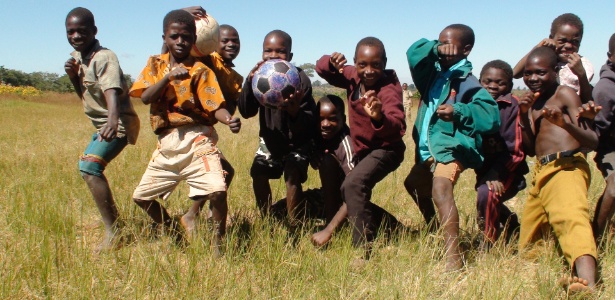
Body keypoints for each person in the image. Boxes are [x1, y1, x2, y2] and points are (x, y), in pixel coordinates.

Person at [129, 10, 241, 253]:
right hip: (167, 142)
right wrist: (168, 77)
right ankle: (172, 229)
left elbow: (215, 107)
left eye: (186, 37)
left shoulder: (201, 71)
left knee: (218, 191)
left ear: (194, 40)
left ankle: (218, 246)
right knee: (141, 197)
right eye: (174, 37)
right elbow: (146, 97)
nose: (180, 42)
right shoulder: (155, 65)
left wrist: (228, 119)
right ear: (165, 38)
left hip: (198, 138)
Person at [404, 24, 500, 270]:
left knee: (441, 189)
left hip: (449, 148)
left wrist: (459, 111)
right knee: (413, 185)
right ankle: (435, 228)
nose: (444, 49)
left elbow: (490, 115)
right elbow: (414, 52)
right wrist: (435, 49)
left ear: (466, 50)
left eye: (450, 44)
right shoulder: (432, 74)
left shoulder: (467, 81)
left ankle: (453, 259)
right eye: (440, 43)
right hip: (429, 151)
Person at [518, 46, 598, 293]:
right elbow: (531, 149)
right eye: (528, 73)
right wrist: (523, 116)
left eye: (540, 72)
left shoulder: (564, 94)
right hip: (541, 172)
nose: (532, 78)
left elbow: (592, 140)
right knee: (530, 243)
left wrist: (564, 123)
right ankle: (552, 270)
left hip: (566, 167)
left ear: (556, 71)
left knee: (572, 218)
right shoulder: (534, 102)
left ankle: (589, 283)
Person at [316, 37, 406, 256]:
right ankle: (395, 228)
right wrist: (331, 62)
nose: (369, 70)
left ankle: (363, 250)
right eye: (363, 64)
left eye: (376, 65)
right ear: (355, 62)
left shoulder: (388, 89)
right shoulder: (353, 77)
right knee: (351, 187)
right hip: (364, 151)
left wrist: (379, 116)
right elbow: (321, 68)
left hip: (387, 149)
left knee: (354, 185)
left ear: (384, 63)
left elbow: (398, 124)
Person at [64, 7, 140, 252]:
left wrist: (111, 121)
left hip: (116, 123)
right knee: (88, 169)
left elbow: (112, 91)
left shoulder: (104, 57)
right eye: (71, 31)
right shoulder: (78, 58)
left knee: (89, 167)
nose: (76, 36)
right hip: (103, 124)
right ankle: (115, 225)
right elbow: (85, 97)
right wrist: (74, 78)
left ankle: (114, 231)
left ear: (94, 31)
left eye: (82, 31)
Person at [238, 30, 318, 225]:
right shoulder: (258, 78)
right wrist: (248, 82)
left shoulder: (300, 81)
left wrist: (294, 112)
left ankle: (294, 225)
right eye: (268, 51)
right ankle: (267, 220)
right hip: (271, 140)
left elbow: (309, 122)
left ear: (289, 56)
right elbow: (246, 111)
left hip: (298, 142)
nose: (273, 56)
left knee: (292, 174)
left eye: (280, 51)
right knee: (258, 173)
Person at [310, 95, 401, 247]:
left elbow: (354, 194)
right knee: (279, 210)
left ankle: (391, 227)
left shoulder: (347, 146)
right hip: (326, 196)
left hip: (346, 202)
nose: (325, 124)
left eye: (332, 119)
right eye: (320, 119)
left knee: (359, 205)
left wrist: (329, 229)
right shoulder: (317, 137)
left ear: (344, 118)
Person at [475, 60, 528, 245]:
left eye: (500, 83)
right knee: (486, 198)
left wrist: (495, 173)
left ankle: (488, 242)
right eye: (487, 81)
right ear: (479, 81)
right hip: (484, 168)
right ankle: (511, 224)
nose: (493, 86)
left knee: (487, 193)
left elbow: (515, 151)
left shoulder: (511, 106)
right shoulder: (475, 104)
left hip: (508, 169)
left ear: (510, 86)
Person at [513, 13, 594, 103]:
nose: (568, 46)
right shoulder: (544, 59)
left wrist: (581, 75)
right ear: (551, 38)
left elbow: (586, 100)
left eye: (575, 42)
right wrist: (538, 47)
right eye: (562, 40)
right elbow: (515, 73)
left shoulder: (583, 64)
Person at [590, 33, 615, 243]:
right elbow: (598, 130)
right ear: (610, 56)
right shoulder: (605, 89)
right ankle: (596, 237)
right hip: (610, 148)